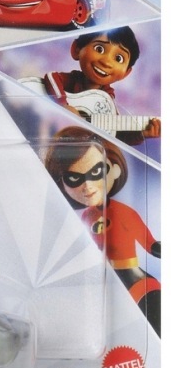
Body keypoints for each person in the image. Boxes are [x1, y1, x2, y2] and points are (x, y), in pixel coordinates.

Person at [45, 126, 160, 336]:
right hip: (99, 285)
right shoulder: (85, 217)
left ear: (114, 169)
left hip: (137, 284)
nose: (88, 186)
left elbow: (149, 242)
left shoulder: (124, 212)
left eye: (96, 172)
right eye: (74, 178)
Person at [42, 27, 161, 144]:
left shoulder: (107, 101)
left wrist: (141, 135)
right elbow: (51, 77)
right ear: (76, 49)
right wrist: (63, 105)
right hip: (45, 128)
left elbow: (116, 133)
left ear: (126, 73)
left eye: (118, 58)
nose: (106, 62)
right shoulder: (74, 79)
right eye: (99, 49)